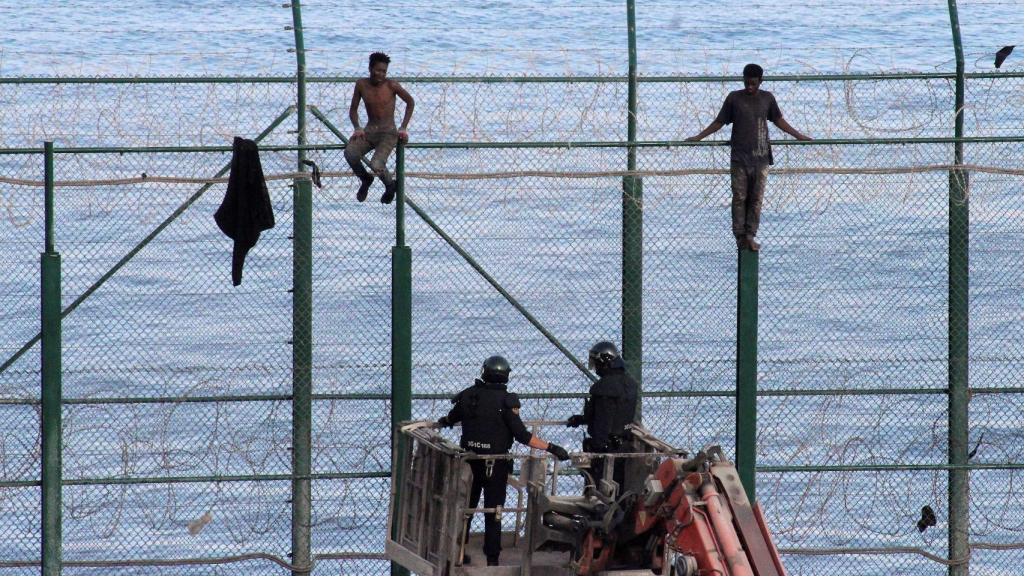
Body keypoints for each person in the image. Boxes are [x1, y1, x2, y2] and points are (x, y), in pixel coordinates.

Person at [438, 355, 570, 567]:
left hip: (468, 463)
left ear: (484, 373)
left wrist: (441, 423)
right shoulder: (506, 402)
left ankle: (459, 553)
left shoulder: (469, 395)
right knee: (494, 513)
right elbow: (523, 436)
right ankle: (492, 560)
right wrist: (552, 447)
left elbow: (451, 418)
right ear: (505, 376)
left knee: (466, 510)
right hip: (495, 465)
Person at [686, 63, 811, 251]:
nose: (749, 87)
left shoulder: (767, 99)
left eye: (753, 83)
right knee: (739, 196)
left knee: (756, 199)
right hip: (739, 157)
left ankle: (751, 234)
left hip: (761, 157)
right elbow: (719, 121)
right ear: (743, 79)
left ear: (761, 81)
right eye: (747, 83)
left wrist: (799, 136)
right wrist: (699, 137)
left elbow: (778, 120)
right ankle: (740, 237)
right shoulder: (734, 98)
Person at [344, 52, 415, 204]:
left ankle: (390, 186)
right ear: (370, 68)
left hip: (388, 133)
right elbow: (353, 110)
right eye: (378, 70)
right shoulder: (361, 84)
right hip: (369, 132)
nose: (381, 74)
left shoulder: (392, 85)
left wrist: (403, 127)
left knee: (376, 163)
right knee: (350, 153)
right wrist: (357, 127)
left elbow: (410, 102)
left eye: (384, 71)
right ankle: (366, 179)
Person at [566, 341, 638, 490]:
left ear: (604, 362)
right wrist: (582, 419)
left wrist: (598, 448)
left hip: (606, 449)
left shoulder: (603, 388)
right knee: (621, 489)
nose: (595, 367)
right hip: (626, 445)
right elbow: (619, 413)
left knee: (598, 490)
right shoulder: (630, 384)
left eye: (596, 362)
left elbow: (603, 420)